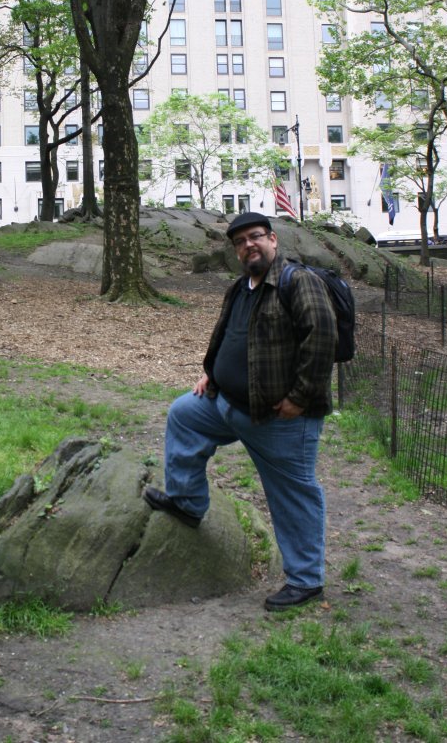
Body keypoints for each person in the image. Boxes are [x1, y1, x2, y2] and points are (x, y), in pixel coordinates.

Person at [144, 211, 338, 611]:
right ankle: (187, 502)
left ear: (273, 240)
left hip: (280, 419)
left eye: (255, 237)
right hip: (226, 405)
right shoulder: (241, 287)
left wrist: (299, 399)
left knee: (293, 494)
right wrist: (212, 376)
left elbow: (322, 340)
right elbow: (231, 337)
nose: (248, 246)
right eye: (240, 242)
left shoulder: (297, 282)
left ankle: (306, 580)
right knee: (183, 413)